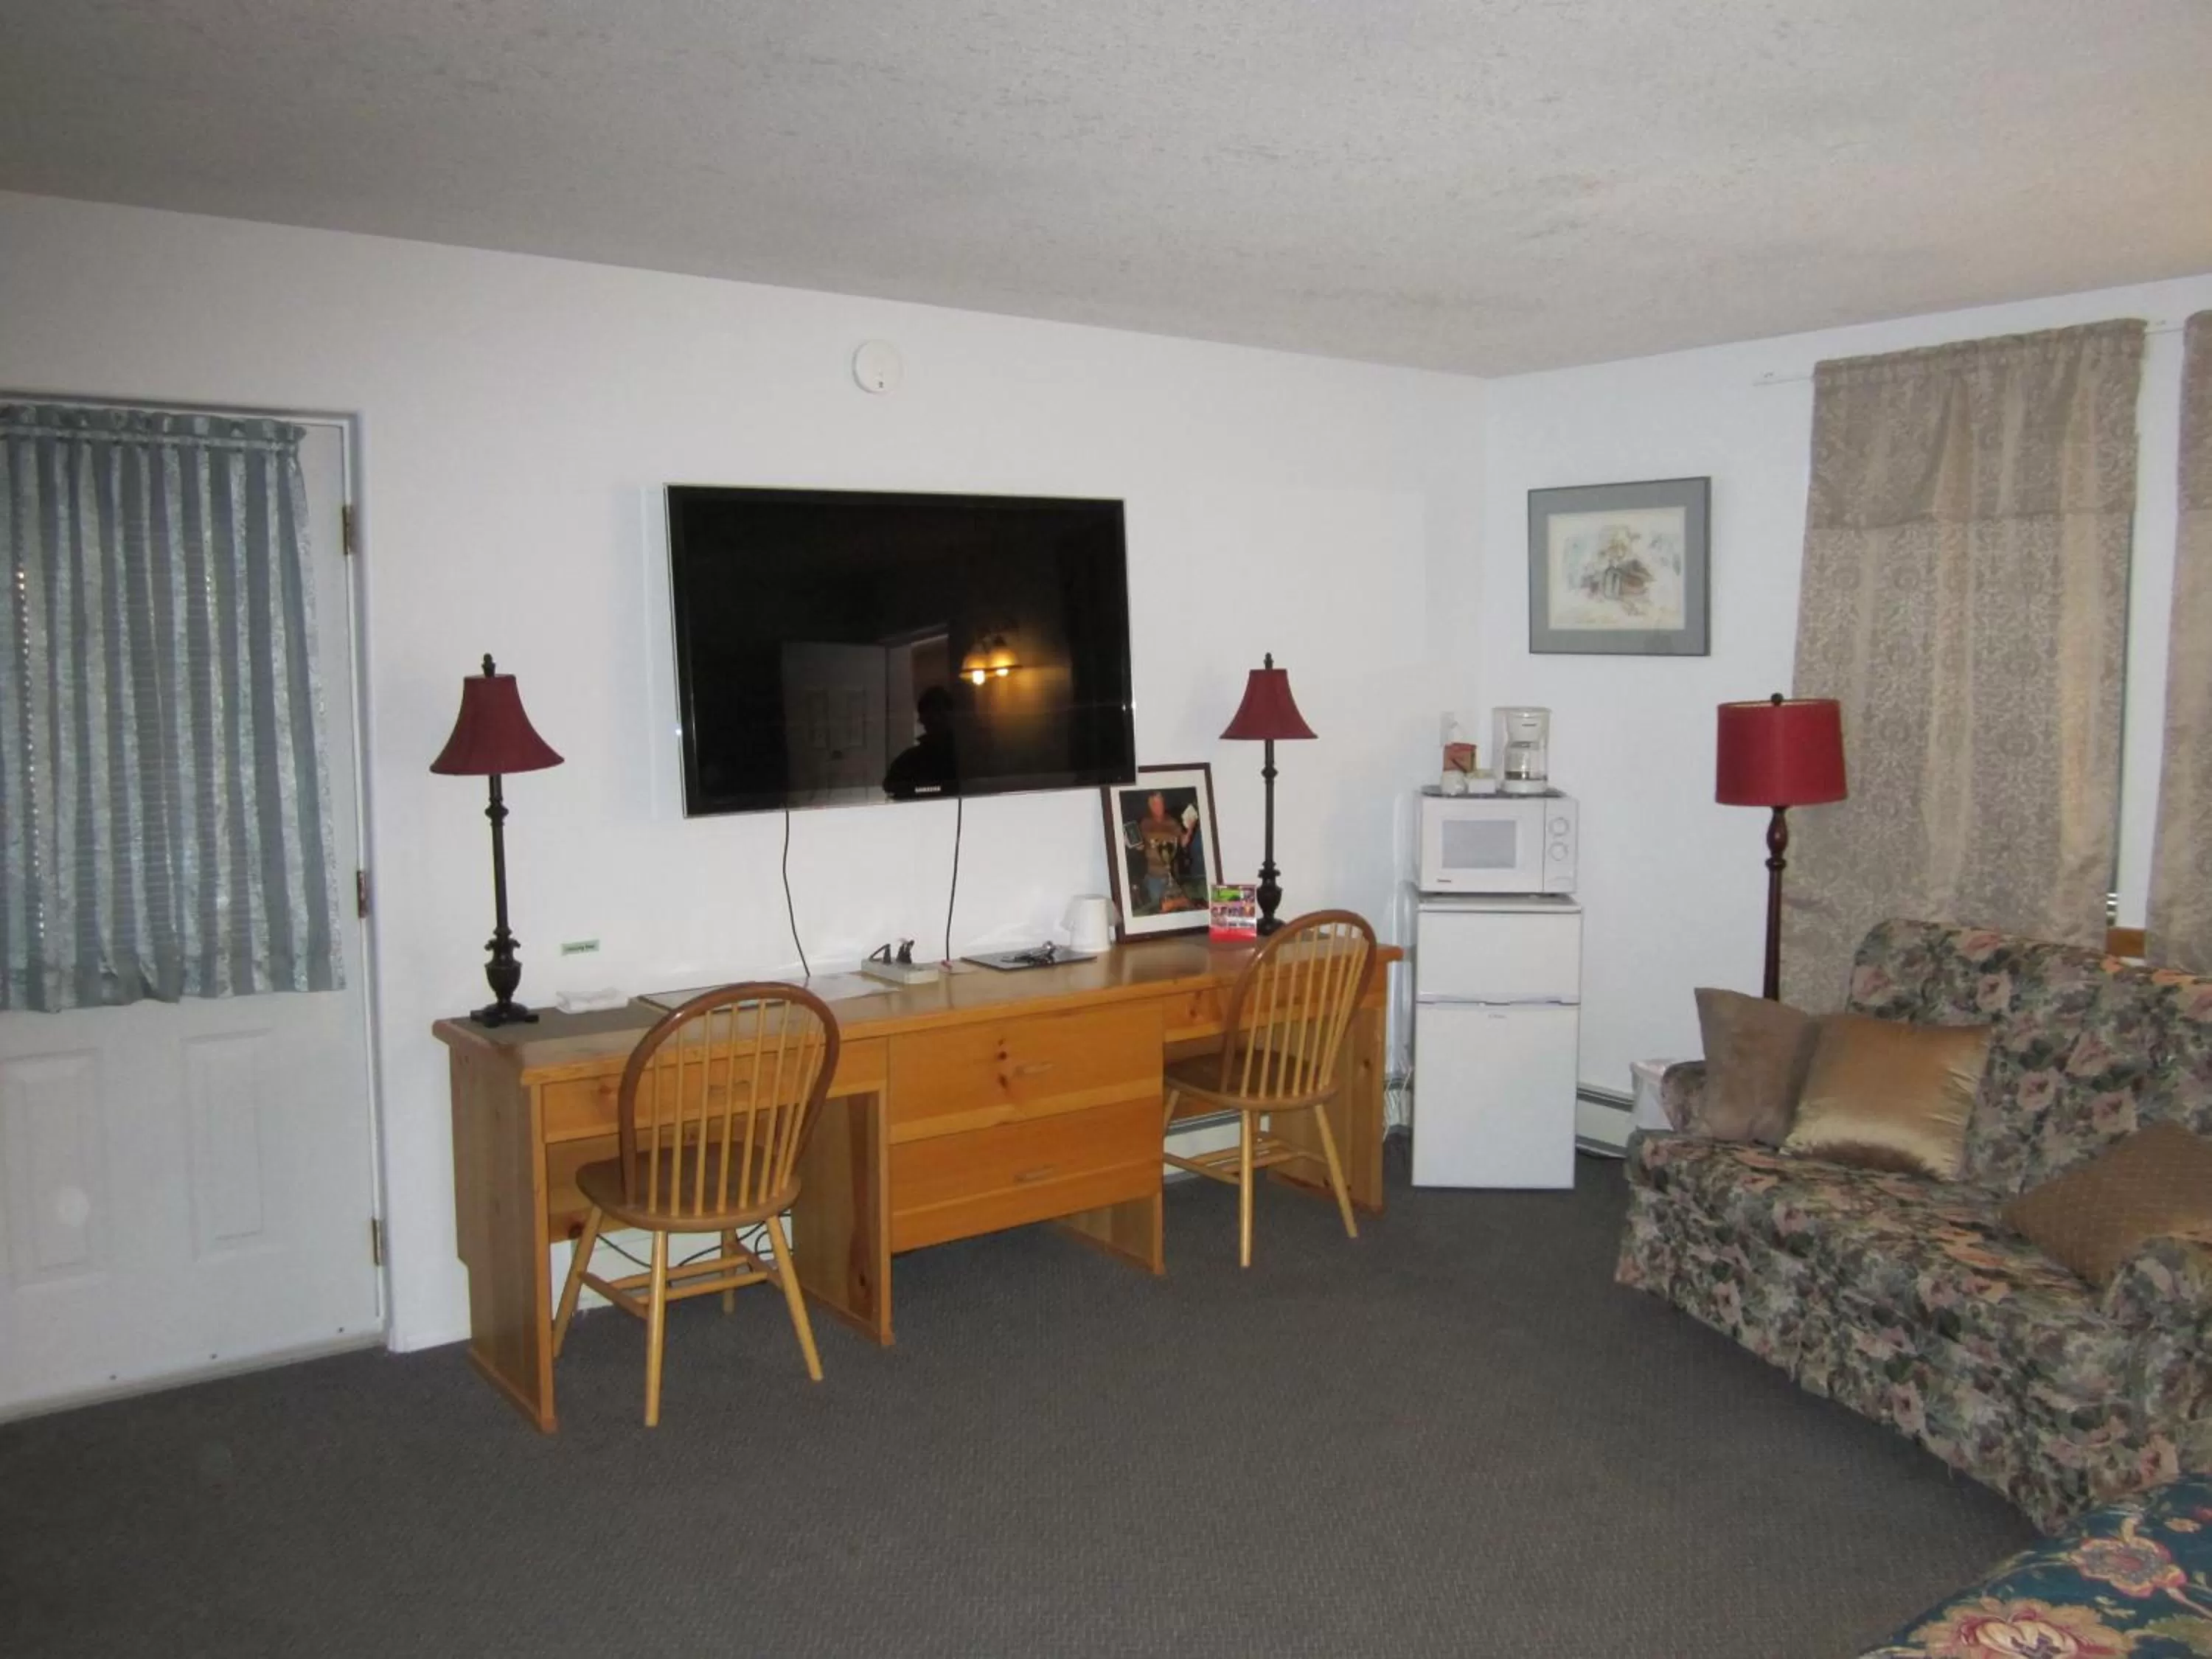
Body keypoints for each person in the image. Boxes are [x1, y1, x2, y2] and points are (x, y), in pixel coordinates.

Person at [883, 685, 957, 799]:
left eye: (940, 715)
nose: (936, 720)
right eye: (930, 718)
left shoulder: (968, 755)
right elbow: (890, 786)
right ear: (923, 720)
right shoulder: (911, 759)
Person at [1135, 791, 1193, 911]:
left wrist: (1190, 828)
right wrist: (1135, 844)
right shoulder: (1145, 823)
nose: (1159, 807)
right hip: (1154, 878)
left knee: (1177, 909)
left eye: (1161, 803)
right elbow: (1140, 846)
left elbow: (1183, 842)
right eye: (1156, 804)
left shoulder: (1172, 822)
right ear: (1150, 805)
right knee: (1158, 910)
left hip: (1172, 877)